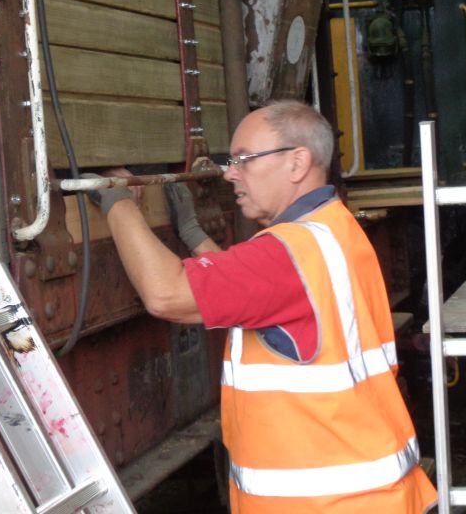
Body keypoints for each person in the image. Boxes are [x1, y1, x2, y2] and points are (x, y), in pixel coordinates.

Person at [85, 100, 437, 513]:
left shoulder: (289, 253)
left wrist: (115, 201)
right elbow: (252, 299)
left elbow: (166, 294)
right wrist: (194, 234)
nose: (229, 173)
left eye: (244, 160)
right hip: (370, 494)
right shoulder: (334, 229)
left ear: (297, 163)